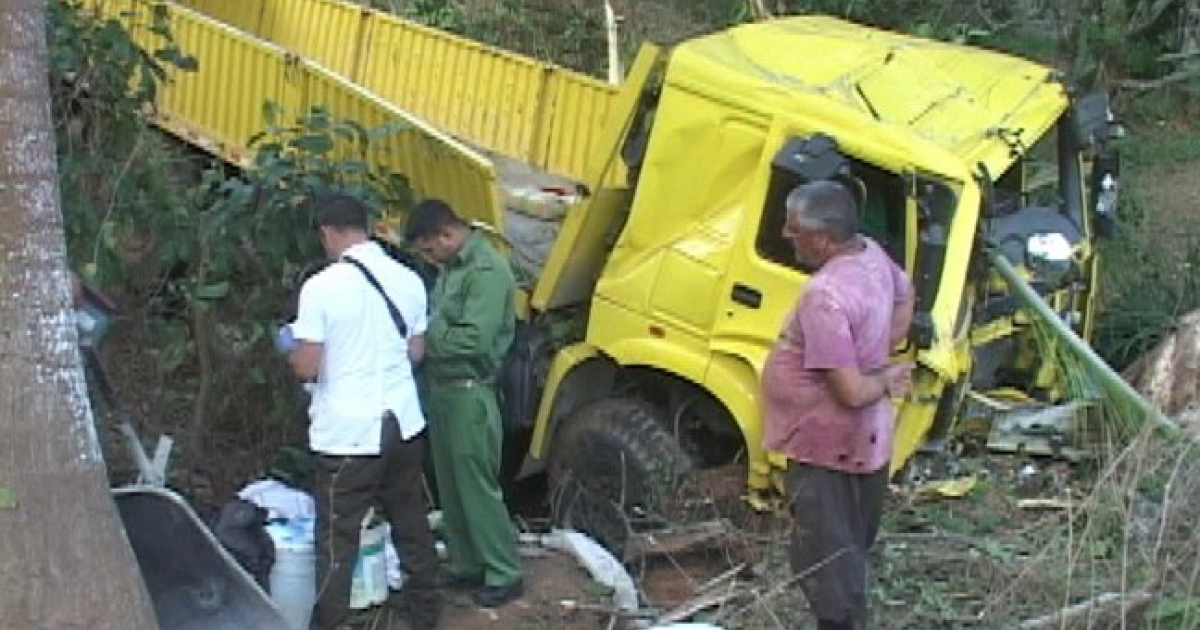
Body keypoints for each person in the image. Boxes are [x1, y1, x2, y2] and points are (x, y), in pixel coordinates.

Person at [279, 193, 442, 630]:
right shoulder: (409, 280)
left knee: (337, 539)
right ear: (365, 228)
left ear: (328, 233)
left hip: (348, 433)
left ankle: (329, 625)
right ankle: (426, 616)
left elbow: (308, 366)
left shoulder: (321, 288)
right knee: (411, 523)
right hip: (402, 423)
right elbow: (416, 351)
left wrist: (291, 351)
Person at [761, 181, 915, 630]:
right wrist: (878, 349)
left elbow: (849, 392)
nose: (786, 236)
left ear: (822, 238)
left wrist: (880, 376)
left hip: (828, 449)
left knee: (828, 571)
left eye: (794, 230)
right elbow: (905, 296)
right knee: (847, 553)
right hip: (866, 445)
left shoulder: (824, 295)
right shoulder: (869, 254)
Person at [404, 199, 525, 608]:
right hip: (444, 393)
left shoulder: (487, 273)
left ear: (448, 234)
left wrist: (424, 343)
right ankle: (467, 564)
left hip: (470, 391)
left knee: (476, 487)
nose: (428, 257)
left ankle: (503, 570)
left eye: (428, 249)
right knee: (451, 488)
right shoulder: (451, 271)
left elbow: (474, 339)